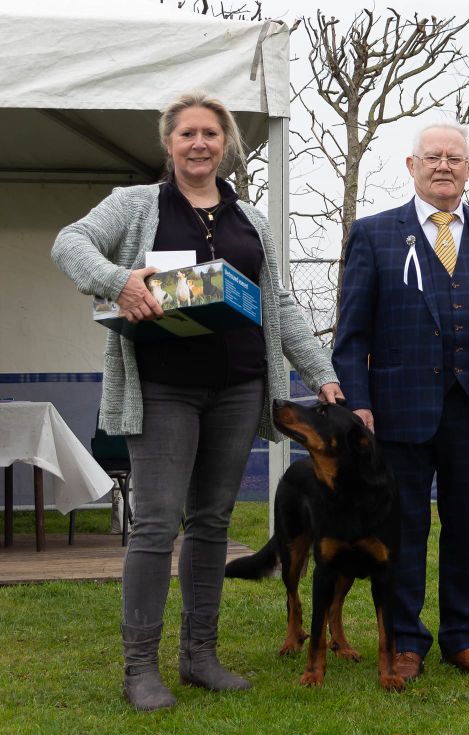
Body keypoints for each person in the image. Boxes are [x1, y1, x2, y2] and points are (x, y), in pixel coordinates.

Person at [52, 92, 343, 711]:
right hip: (162, 388)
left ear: (226, 144)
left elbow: (280, 304)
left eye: (211, 133)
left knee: (211, 523)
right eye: (187, 134)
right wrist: (118, 280)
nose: (200, 144)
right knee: (157, 524)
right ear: (170, 144)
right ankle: (140, 669)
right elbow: (69, 244)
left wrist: (321, 374)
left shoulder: (251, 219)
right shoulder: (135, 204)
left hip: (239, 389)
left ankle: (200, 655)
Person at [332, 121, 469, 682]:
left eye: (455, 157)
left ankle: (463, 638)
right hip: (398, 413)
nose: (444, 165)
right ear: (411, 166)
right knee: (405, 531)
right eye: (433, 157)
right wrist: (359, 404)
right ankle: (406, 641)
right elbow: (352, 335)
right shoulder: (373, 233)